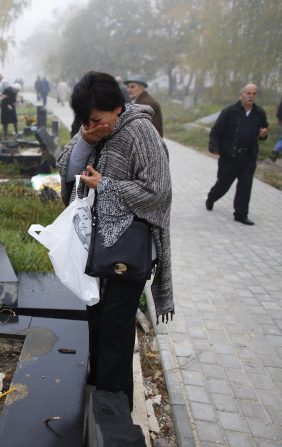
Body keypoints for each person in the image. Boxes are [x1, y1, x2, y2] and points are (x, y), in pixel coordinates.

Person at [56, 71, 173, 411]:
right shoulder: (89, 132)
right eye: (85, 120)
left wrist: (105, 186)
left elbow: (158, 191)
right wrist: (86, 142)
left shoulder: (140, 132)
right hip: (93, 246)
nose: (91, 124)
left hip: (128, 250)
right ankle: (98, 390)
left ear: (118, 107)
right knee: (95, 320)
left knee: (117, 330)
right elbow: (67, 173)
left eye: (97, 118)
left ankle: (115, 405)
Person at [205, 83, 269, 225]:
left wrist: (263, 134)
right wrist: (214, 147)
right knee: (224, 183)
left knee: (245, 186)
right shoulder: (230, 112)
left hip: (248, 156)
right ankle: (212, 197)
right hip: (230, 156)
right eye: (248, 93)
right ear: (241, 95)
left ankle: (240, 214)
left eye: (254, 94)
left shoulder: (259, 113)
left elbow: (263, 131)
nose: (251, 96)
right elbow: (216, 131)